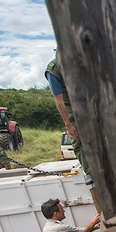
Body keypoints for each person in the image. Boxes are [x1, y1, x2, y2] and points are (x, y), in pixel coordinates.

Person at [45, 54, 93, 185]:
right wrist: (68, 124)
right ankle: (89, 171)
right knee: (78, 138)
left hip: (90, 101)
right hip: (71, 106)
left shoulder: (82, 61)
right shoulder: (54, 70)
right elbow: (58, 100)